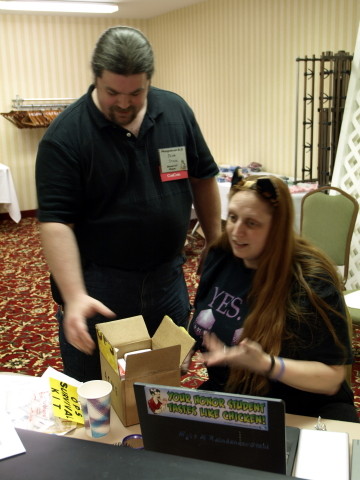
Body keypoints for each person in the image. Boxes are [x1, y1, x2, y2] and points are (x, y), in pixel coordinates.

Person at [35, 26, 221, 382]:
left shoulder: (175, 110)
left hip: (167, 278)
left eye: (136, 92)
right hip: (101, 287)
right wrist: (74, 296)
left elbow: (203, 176)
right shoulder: (66, 137)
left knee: (162, 381)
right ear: (95, 80)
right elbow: (56, 222)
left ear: (150, 81)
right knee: (100, 389)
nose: (123, 103)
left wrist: (215, 239)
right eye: (112, 92)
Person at [188, 170, 359, 422]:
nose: (236, 231)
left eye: (252, 223)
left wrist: (268, 365)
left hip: (302, 410)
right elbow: (203, 316)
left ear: (277, 228)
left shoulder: (310, 282)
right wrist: (186, 344)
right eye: (233, 217)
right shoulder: (221, 256)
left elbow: (332, 379)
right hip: (236, 398)